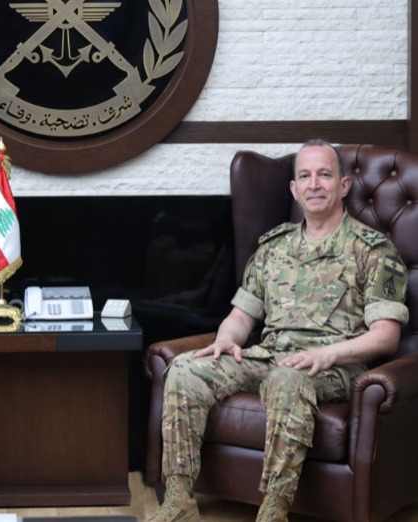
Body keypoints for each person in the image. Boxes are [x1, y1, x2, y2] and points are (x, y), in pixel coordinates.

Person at [153, 140, 409, 522]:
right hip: (270, 356)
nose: (314, 184)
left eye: (324, 174)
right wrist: (225, 341)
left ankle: (274, 509)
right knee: (185, 369)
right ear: (294, 189)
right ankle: (178, 502)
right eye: (304, 176)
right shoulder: (273, 247)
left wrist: (326, 354)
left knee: (287, 379)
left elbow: (386, 336)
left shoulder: (373, 251)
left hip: (333, 365)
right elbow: (241, 316)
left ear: (344, 185)